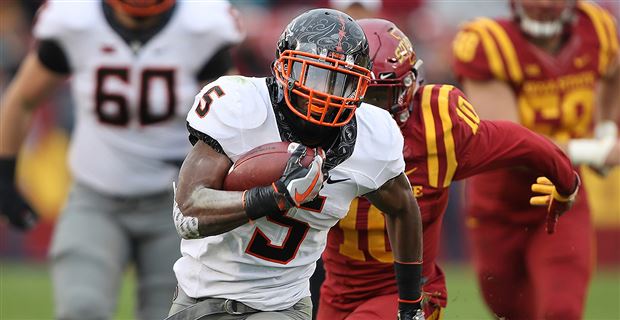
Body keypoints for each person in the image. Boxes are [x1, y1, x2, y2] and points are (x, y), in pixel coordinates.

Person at [167, 9, 425, 320]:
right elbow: (188, 212)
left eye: (341, 82)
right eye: (313, 74)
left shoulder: (374, 136)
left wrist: (411, 305)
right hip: (199, 297)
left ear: (360, 88)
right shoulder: (240, 105)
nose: (325, 93)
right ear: (283, 67)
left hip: (282, 306)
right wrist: (273, 195)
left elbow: (403, 207)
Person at [315, 18, 581, 320]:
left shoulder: (438, 126)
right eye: (354, 94)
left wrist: (566, 184)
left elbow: (522, 142)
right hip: (338, 294)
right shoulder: (317, 129)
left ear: (408, 88)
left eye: (376, 98)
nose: (364, 112)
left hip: (410, 293)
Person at [0, 0, 244, 319]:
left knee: (169, 314)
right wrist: (4, 175)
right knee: (82, 308)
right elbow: (23, 98)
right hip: (96, 196)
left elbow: (233, 116)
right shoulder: (77, 20)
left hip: (177, 204)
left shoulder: (201, 26)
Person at [452, 0, 619, 319]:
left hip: (563, 197)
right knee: (510, 309)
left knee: (562, 309)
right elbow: (511, 144)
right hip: (498, 207)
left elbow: (614, 72)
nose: (544, 4)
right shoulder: (489, 44)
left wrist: (608, 128)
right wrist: (595, 150)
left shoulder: (597, 27)